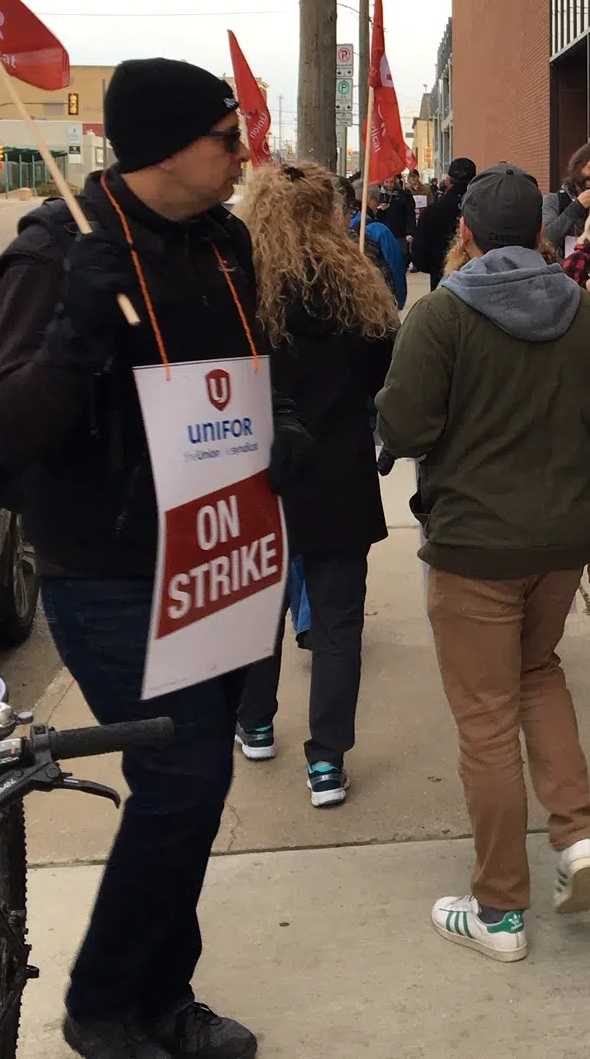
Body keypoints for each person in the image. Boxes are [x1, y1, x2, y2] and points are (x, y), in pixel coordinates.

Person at [0, 57, 268, 1059]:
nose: (242, 153)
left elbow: (235, 378)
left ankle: (162, 997)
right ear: (166, 148)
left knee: (194, 790)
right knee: (181, 781)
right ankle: (103, 1006)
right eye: (227, 137)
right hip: (109, 575)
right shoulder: (59, 253)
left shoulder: (223, 241)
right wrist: (72, 340)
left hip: (222, 550)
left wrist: (280, 444)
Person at [377, 162, 590, 963]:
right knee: (538, 674)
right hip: (561, 542)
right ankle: (578, 838)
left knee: (487, 719)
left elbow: (405, 426)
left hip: (473, 547)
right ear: (542, 232)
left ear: (464, 232)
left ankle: (499, 909)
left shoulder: (441, 318)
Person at [232, 161, 400, 809]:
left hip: (261, 472)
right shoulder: (359, 283)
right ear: (329, 210)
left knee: (258, 610)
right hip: (338, 470)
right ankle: (326, 760)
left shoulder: (244, 287)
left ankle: (255, 722)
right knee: (337, 624)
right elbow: (383, 378)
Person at [414, 155, 476, 289]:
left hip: (440, 283)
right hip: (476, 284)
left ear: (448, 181)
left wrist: (435, 268)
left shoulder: (432, 211)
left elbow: (418, 256)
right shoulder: (483, 209)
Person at [541, 141, 590, 250]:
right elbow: (547, 239)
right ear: (578, 167)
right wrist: (577, 206)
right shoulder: (554, 200)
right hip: (563, 265)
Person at [344, 179, 406, 309]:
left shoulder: (336, 227)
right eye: (376, 200)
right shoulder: (379, 230)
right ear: (369, 199)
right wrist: (398, 301)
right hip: (378, 303)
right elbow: (395, 267)